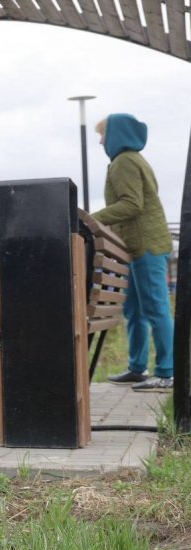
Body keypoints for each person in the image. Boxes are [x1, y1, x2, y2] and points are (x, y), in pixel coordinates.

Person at [92, 113, 174, 392]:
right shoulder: (131, 160)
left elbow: (132, 204)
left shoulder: (124, 162)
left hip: (146, 245)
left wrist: (94, 219)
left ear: (115, 135)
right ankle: (138, 368)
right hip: (140, 246)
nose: (101, 141)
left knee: (155, 309)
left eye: (103, 134)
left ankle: (167, 372)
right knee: (135, 310)